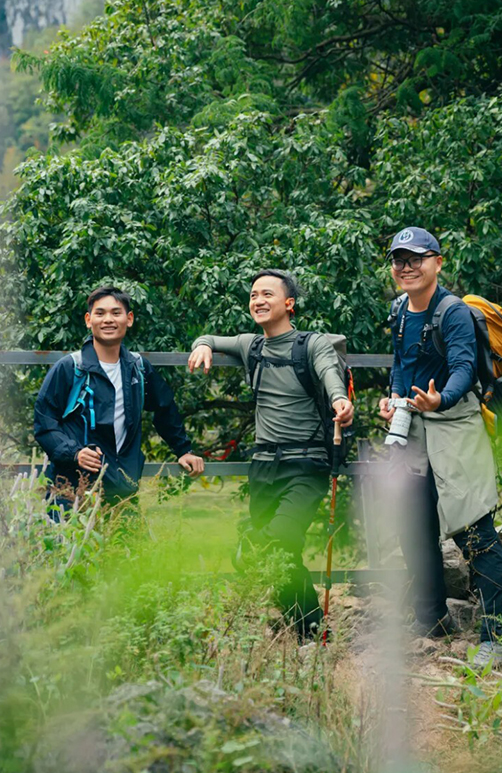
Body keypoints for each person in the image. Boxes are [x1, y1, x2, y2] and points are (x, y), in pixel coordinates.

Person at [188, 268, 353, 636]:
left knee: (277, 538)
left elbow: (329, 371)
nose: (258, 301)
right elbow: (210, 337)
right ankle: (310, 631)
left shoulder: (311, 344)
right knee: (281, 554)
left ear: (289, 304)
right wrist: (202, 345)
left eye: (267, 295)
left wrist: (339, 398)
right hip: (263, 465)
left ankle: (249, 547)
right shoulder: (251, 345)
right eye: (253, 296)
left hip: (306, 463)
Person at [379, 226, 502, 655]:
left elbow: (463, 366)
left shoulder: (452, 311)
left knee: (473, 526)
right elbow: (401, 362)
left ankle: (498, 635)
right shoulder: (400, 310)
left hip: (455, 423)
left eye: (416, 258)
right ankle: (432, 619)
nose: (407, 266)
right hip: (415, 424)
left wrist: (441, 398)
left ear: (438, 261)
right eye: (400, 260)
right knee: (414, 524)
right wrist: (396, 399)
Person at [34, 281, 205, 509]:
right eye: (100, 313)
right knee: (70, 543)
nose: (108, 320)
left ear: (129, 319)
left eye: (116, 313)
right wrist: (74, 453)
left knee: (123, 543)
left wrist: (183, 450)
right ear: (88, 320)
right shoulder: (70, 368)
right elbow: (44, 422)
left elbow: (165, 409)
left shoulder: (138, 368)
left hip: (122, 487)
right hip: (72, 488)